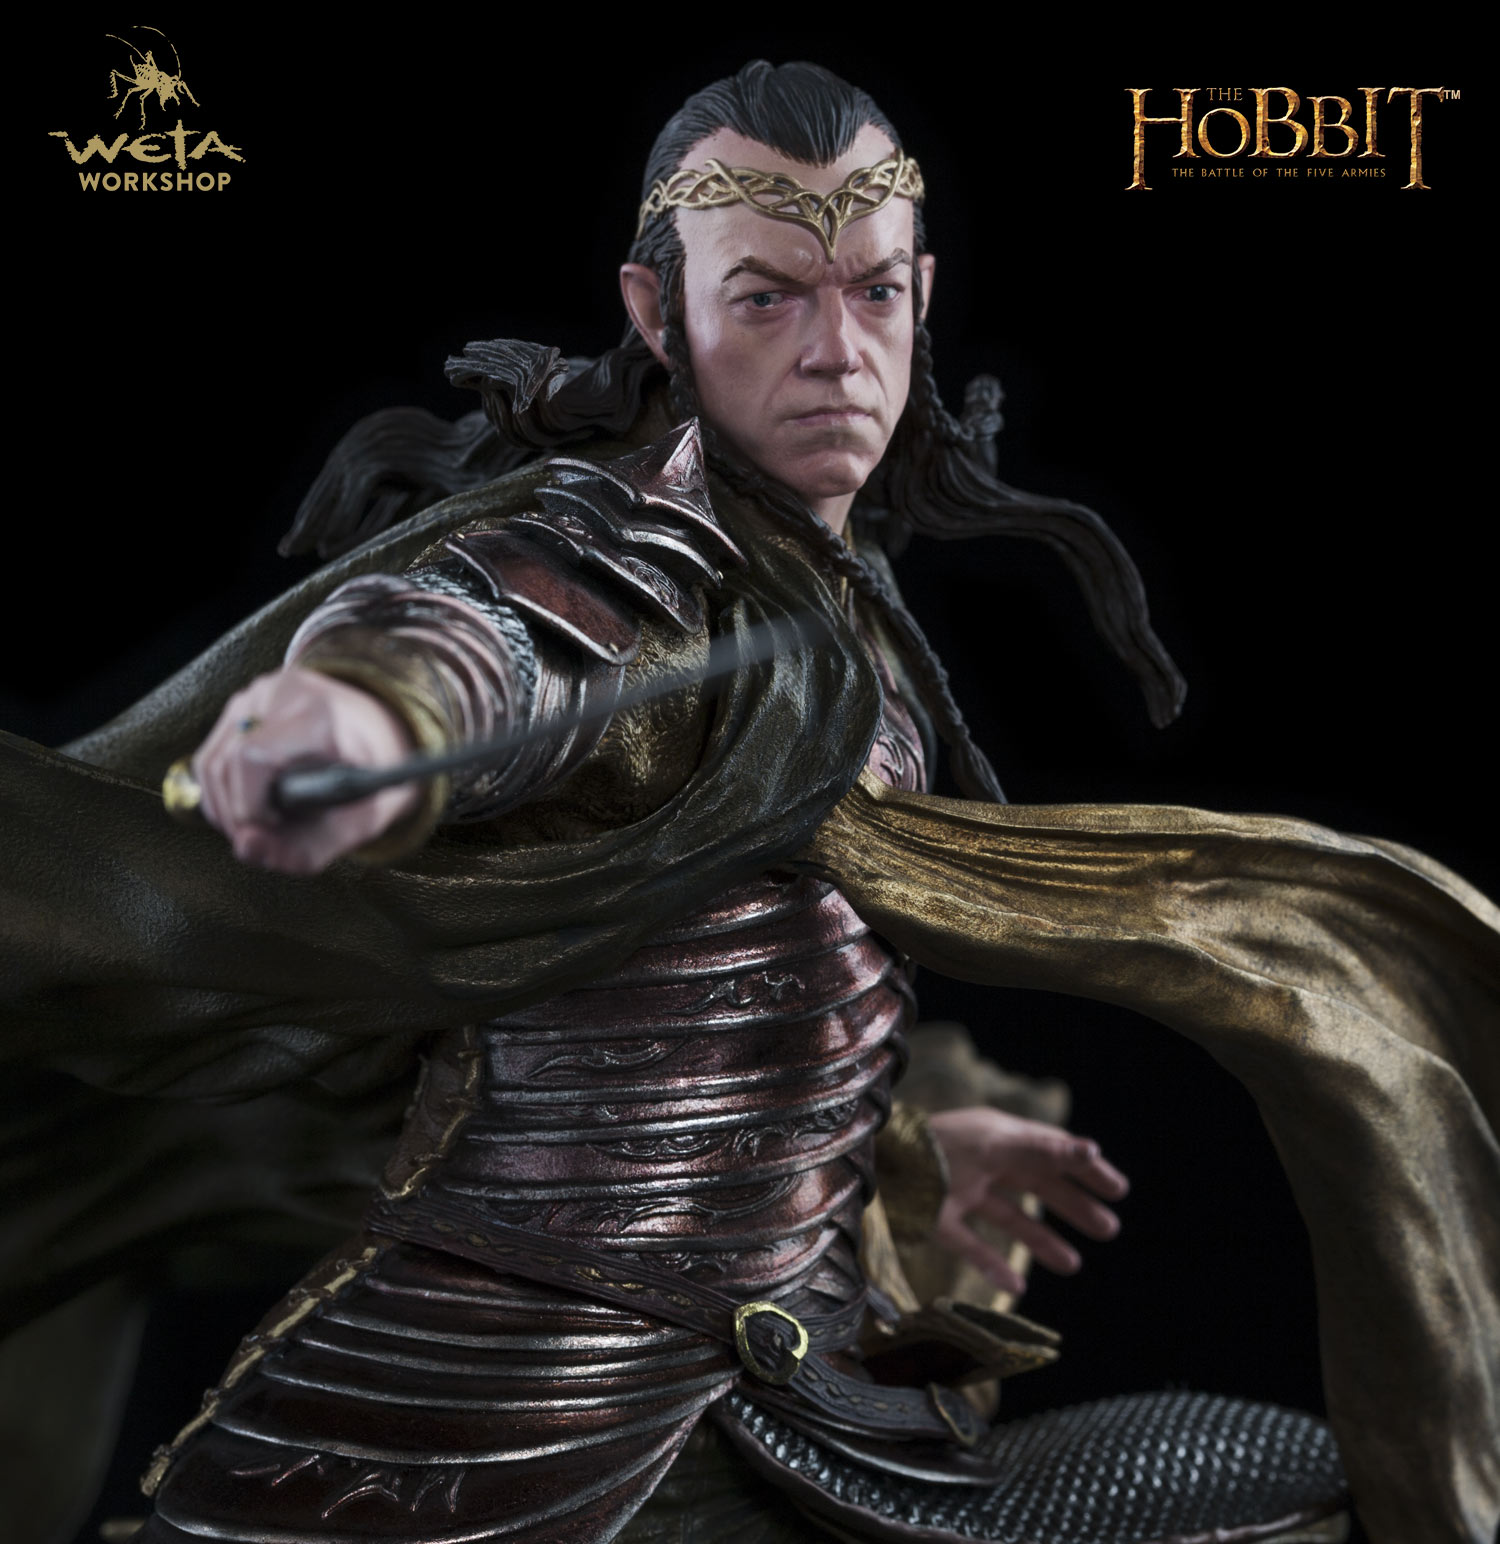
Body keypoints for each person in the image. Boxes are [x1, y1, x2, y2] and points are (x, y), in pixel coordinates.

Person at [3, 59, 1495, 1544]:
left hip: (782, 1388)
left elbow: (713, 983)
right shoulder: (633, 549)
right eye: (769, 296)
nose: (838, 352)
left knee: (1283, 1489)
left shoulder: (840, 603)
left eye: (873, 293)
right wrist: (357, 713)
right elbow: (489, 638)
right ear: (660, 314)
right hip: (506, 1421)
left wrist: (890, 1150)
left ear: (922, 293)